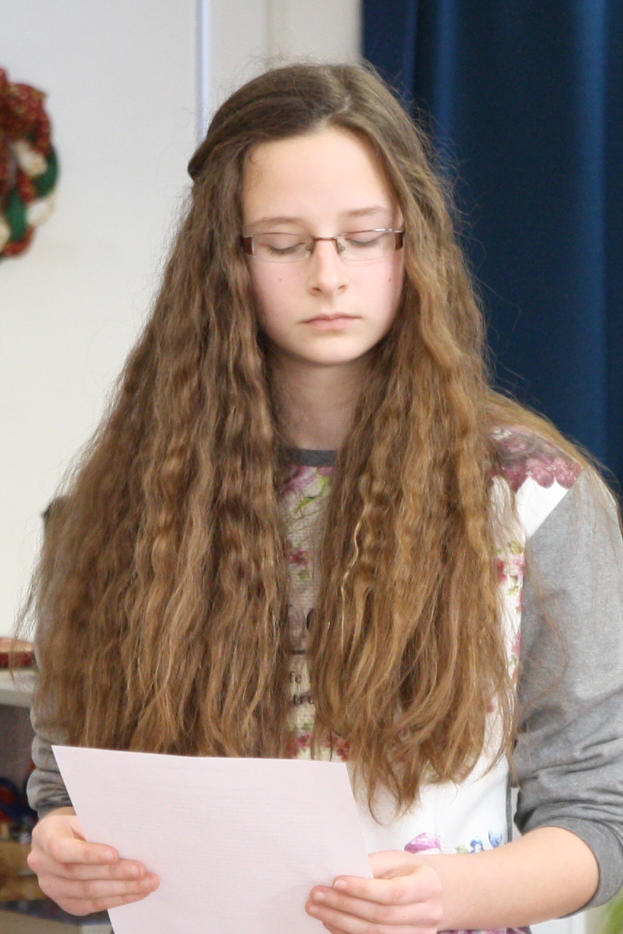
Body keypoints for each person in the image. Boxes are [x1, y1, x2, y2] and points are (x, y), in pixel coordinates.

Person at [22, 63, 623, 933]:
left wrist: (444, 895)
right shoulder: (125, 501)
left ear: (413, 243)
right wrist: (64, 850)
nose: (328, 275)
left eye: (364, 236)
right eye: (283, 242)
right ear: (225, 259)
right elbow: (63, 788)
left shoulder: (535, 498)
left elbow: (599, 816)